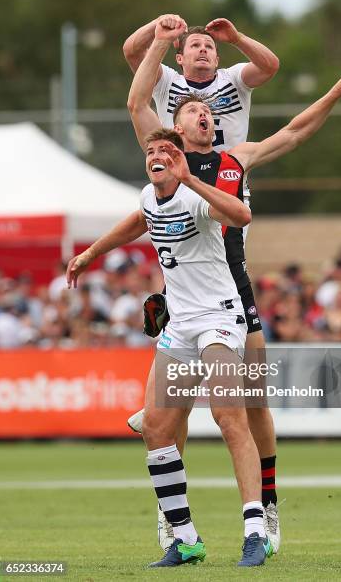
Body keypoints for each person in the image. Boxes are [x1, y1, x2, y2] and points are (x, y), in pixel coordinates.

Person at [125, 17, 341, 552]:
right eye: (195, 110)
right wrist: (161, 39)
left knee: (249, 402)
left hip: (234, 289)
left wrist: (335, 91)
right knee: (173, 415)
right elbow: (137, 98)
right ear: (178, 119)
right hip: (186, 290)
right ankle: (175, 522)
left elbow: (295, 131)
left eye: (210, 111)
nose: (205, 114)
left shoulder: (235, 159)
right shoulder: (164, 152)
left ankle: (267, 510)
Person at [69, 130, 273, 567]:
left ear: (179, 160)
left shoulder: (196, 196)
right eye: (151, 151)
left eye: (167, 151)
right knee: (157, 429)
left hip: (219, 318)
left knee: (228, 415)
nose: (157, 155)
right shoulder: (148, 196)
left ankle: (255, 531)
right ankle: (184, 540)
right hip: (180, 327)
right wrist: (88, 254)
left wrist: (191, 179)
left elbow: (241, 215)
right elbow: (136, 222)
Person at [123, 14, 280, 152]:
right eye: (195, 45)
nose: (203, 49)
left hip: (229, 182)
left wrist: (237, 39)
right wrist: (159, 22)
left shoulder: (233, 79)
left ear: (217, 60)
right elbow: (132, 51)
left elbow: (269, 66)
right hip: (181, 181)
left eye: (209, 46)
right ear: (179, 58)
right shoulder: (166, 82)